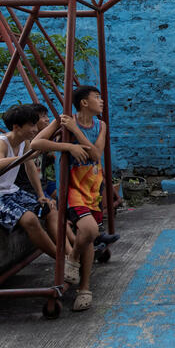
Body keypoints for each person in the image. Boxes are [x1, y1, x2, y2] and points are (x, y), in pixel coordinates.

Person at [32, 85, 106, 312]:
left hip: (92, 185)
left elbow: (95, 154)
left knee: (89, 236)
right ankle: (73, 260)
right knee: (90, 230)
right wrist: (68, 146)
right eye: (97, 97)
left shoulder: (100, 125)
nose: (101, 101)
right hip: (71, 187)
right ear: (84, 102)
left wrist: (77, 131)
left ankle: (84, 287)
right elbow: (36, 143)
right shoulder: (65, 120)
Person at [0, 105, 69, 261]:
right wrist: (26, 157)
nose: (35, 129)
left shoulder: (24, 142)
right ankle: (61, 260)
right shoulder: (1, 143)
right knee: (30, 219)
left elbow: (30, 168)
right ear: (16, 127)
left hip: (9, 191)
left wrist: (40, 194)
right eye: (31, 125)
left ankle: (70, 254)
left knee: (49, 209)